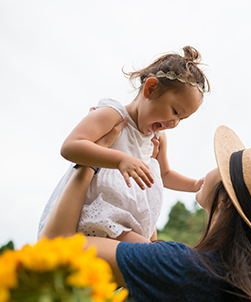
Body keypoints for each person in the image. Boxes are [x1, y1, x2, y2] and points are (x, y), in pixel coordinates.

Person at [40, 123, 251, 302]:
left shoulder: (184, 267)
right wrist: (152, 174)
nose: (211, 168)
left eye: (221, 166)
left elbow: (56, 245)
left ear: (224, 201)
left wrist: (93, 161)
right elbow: (150, 255)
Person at [38, 46, 210, 243]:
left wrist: (195, 185)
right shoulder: (114, 115)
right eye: (175, 111)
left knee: (149, 257)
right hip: (97, 214)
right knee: (152, 257)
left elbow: (165, 175)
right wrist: (120, 159)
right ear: (150, 88)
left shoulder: (157, 138)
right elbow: (71, 146)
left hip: (129, 220)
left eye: (182, 119)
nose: (174, 123)